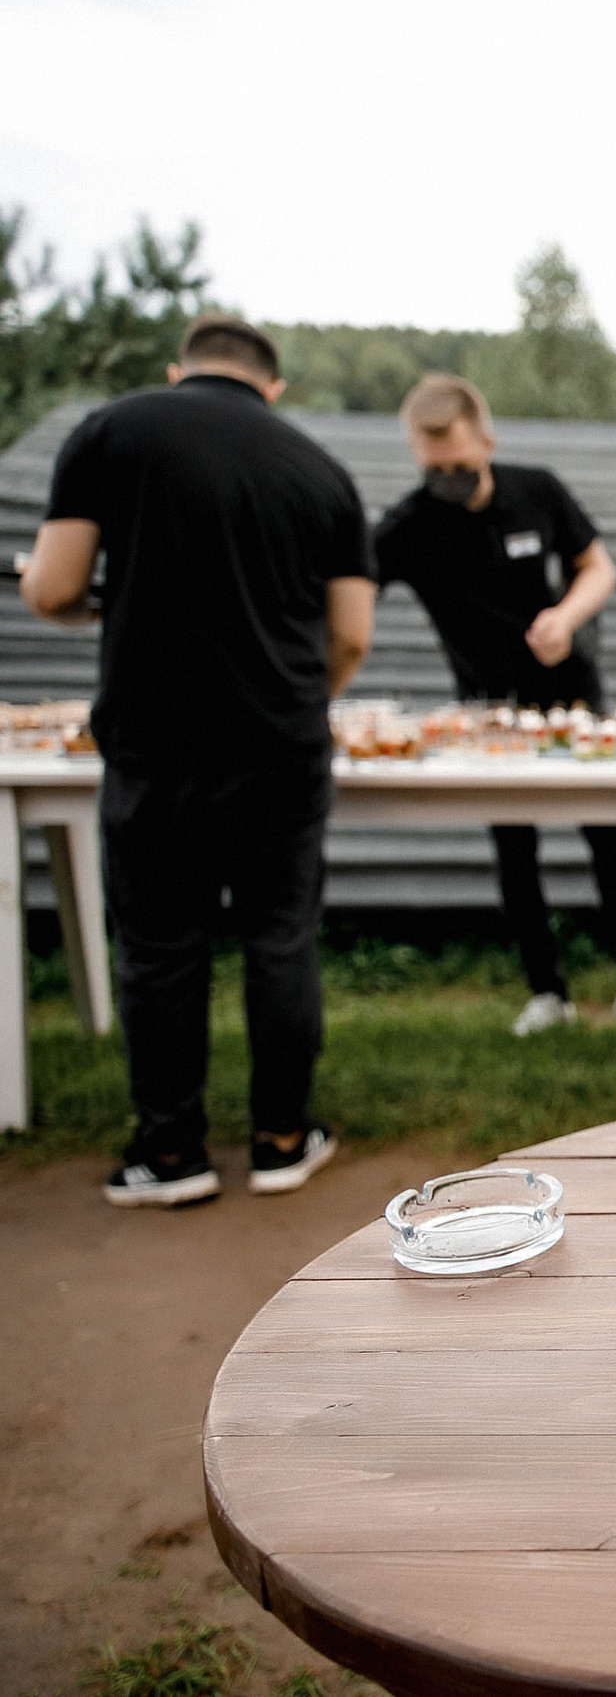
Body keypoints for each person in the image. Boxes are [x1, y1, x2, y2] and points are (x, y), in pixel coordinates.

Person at [23, 315, 375, 1206]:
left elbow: (57, 588)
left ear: (178, 369)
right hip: (281, 739)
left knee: (158, 943)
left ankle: (169, 1154)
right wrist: (302, 695)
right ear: (274, 385)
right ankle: (282, 1139)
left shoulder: (111, 432)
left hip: (155, 739)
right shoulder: (321, 470)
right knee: (279, 936)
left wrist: (88, 599)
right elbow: (350, 635)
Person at [372, 373, 616, 1037]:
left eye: (461, 465)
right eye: (435, 469)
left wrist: (565, 616)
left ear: (486, 441)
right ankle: (548, 993)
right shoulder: (405, 526)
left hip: (571, 693)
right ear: (414, 456)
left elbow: (598, 568)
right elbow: (349, 597)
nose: (450, 478)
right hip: (488, 711)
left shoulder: (536, 489)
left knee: (606, 835)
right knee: (513, 847)